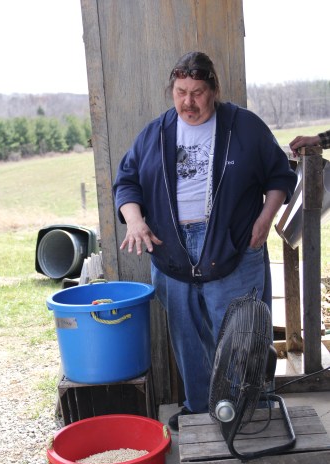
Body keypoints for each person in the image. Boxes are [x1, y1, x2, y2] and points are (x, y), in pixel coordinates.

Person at [113, 51, 297, 431]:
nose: (188, 102)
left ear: (213, 90)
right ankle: (200, 409)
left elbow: (280, 176)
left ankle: (241, 409)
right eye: (181, 92)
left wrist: (265, 220)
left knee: (239, 334)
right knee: (187, 336)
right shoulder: (155, 133)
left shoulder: (243, 127)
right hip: (172, 249)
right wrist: (134, 220)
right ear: (172, 90)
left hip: (233, 244)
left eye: (197, 92)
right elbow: (127, 181)